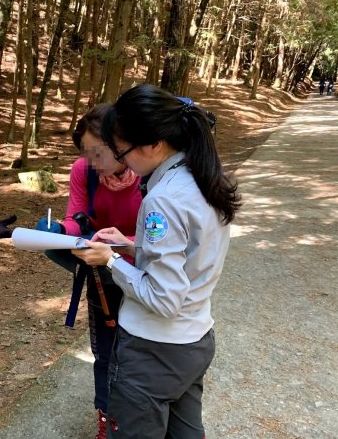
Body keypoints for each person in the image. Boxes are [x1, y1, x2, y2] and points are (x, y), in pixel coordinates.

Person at [72, 84, 241, 439]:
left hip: (153, 351)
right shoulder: (205, 178)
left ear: (153, 144)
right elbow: (190, 255)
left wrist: (111, 261)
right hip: (194, 338)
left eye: (123, 150)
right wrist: (130, 247)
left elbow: (164, 298)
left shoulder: (162, 199)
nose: (123, 160)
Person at [35, 104, 143, 439]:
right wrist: (59, 230)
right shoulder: (84, 170)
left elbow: (164, 239)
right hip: (100, 270)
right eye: (85, 154)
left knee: (139, 349)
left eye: (97, 153)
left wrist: (123, 245)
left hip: (143, 274)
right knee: (105, 350)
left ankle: (138, 417)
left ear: (119, 143)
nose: (91, 163)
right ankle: (107, 416)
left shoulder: (150, 175)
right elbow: (78, 216)